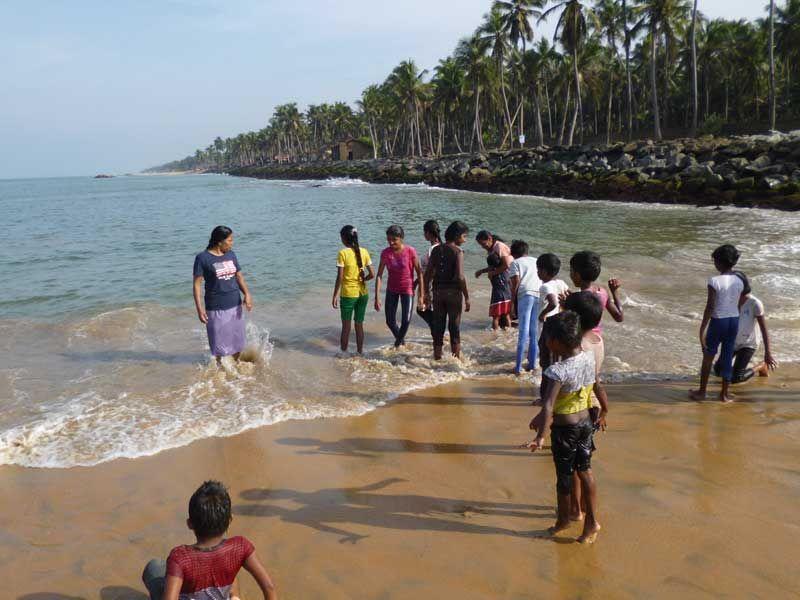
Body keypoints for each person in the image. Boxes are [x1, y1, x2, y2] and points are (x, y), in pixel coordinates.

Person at [528, 311, 601, 544]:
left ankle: (563, 520)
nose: (546, 341)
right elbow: (596, 386)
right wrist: (605, 410)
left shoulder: (556, 371)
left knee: (564, 478)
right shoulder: (588, 357)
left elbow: (549, 405)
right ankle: (590, 521)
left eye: (547, 337)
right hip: (585, 425)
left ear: (556, 342)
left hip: (565, 431)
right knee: (585, 471)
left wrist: (541, 436)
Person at [141, 480, 277, 600]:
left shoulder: (180, 557)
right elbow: (269, 587)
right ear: (230, 519)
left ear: (190, 524)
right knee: (227, 563)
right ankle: (234, 597)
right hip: (222, 589)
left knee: (154, 567)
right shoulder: (240, 546)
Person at [689, 245, 745, 403]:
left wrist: (702, 328)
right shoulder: (739, 280)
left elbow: (710, 306)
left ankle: (702, 392)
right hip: (734, 320)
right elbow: (739, 302)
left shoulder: (714, 280)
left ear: (719, 262)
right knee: (727, 356)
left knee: (708, 356)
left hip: (718, 321)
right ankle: (724, 394)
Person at [193, 226, 253, 363]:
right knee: (219, 346)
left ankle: (236, 370)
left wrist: (247, 294)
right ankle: (220, 373)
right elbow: (197, 285)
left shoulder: (231, 254)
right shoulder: (202, 258)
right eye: (230, 240)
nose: (232, 243)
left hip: (235, 304)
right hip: (216, 307)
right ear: (220, 241)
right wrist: (199, 309)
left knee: (237, 343)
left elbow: (238, 276)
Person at [713, 271, 778, 383]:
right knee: (718, 371)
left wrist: (768, 353)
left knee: (736, 378)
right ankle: (737, 369)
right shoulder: (728, 300)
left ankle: (761, 366)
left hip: (749, 343)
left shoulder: (755, 303)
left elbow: (764, 329)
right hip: (732, 341)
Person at [424, 221, 471, 360]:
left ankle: (437, 358)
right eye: (464, 236)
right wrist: (467, 297)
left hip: (438, 293)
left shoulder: (437, 250)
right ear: (457, 236)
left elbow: (427, 275)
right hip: (454, 294)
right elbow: (461, 277)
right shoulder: (458, 251)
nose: (465, 239)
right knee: (454, 328)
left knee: (438, 328)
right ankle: (455, 361)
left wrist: (426, 293)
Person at [374, 225, 424, 347]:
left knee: (406, 321)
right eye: (388, 240)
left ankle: (397, 345)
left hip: (407, 289)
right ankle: (402, 343)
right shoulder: (385, 253)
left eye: (394, 240)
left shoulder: (410, 251)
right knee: (390, 321)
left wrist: (421, 296)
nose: (391, 243)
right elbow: (379, 275)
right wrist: (377, 297)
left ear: (401, 238)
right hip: (392, 289)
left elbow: (420, 273)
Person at [332, 225, 374, 354]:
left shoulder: (343, 253)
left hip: (349, 294)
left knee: (346, 327)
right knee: (359, 325)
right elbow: (372, 274)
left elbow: (340, 277)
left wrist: (334, 295)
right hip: (363, 293)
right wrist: (363, 280)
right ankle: (360, 352)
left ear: (344, 239)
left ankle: (343, 354)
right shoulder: (364, 251)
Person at [537, 253, 569, 401]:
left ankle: (545, 398)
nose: (537, 273)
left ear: (543, 271)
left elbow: (553, 303)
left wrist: (543, 313)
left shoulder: (545, 286)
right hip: (559, 324)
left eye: (538, 270)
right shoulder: (561, 283)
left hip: (548, 326)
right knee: (556, 362)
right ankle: (556, 396)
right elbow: (568, 297)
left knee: (546, 364)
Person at [568, 251, 624, 336]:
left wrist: (565, 304)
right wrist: (614, 292)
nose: (570, 274)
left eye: (571, 271)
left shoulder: (576, 299)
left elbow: (569, 325)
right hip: (597, 340)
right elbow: (619, 317)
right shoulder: (603, 292)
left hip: (582, 341)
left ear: (577, 275)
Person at [509, 240, 541, 375]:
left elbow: (515, 282)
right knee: (534, 332)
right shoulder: (536, 260)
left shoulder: (515, 263)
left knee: (523, 332)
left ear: (513, 253)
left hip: (525, 294)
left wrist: (512, 302)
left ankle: (517, 367)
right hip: (539, 293)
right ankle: (532, 365)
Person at [475, 230, 513, 328]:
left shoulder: (499, 246)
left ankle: (495, 336)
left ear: (490, 239)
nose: (483, 247)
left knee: (495, 316)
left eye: (483, 244)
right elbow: (495, 266)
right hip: (505, 284)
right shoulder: (493, 248)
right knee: (505, 314)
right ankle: (507, 335)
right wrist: (482, 271)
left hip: (504, 281)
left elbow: (506, 265)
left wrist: (492, 273)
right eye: (481, 245)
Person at [416, 220, 443, 333]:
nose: (424, 235)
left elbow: (431, 270)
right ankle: (437, 333)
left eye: (424, 232)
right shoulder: (441, 246)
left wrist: (425, 288)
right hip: (432, 282)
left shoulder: (433, 249)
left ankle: (436, 333)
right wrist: (416, 281)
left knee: (422, 310)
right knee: (430, 311)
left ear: (428, 233)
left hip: (429, 284)